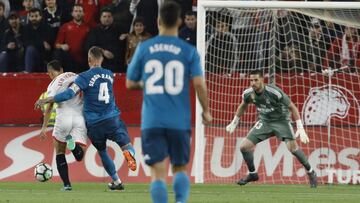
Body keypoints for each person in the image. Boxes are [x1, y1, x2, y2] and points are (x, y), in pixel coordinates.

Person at [126, 1, 212, 203]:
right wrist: (206, 111)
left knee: (157, 172)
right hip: (179, 121)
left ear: (157, 21)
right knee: (180, 167)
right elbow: (199, 84)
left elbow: (130, 83)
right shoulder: (189, 51)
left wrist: (150, 84)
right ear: (180, 22)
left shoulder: (144, 47)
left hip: (152, 120)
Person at [35, 46, 137, 191]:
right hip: (112, 118)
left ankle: (116, 181)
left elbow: (69, 94)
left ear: (89, 60)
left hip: (94, 123)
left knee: (102, 152)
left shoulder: (84, 77)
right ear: (102, 59)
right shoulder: (109, 75)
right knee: (126, 145)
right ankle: (129, 153)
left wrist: (48, 99)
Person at [225, 69, 317, 188]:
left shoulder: (274, 92)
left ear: (262, 80)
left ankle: (311, 172)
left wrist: (300, 128)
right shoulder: (248, 93)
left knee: (293, 149)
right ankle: (253, 174)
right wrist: (234, 122)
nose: (253, 83)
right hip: (265, 122)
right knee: (244, 147)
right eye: (251, 80)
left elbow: (292, 107)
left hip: (281, 121)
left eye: (256, 80)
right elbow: (243, 105)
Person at [35, 60, 87, 191]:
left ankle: (67, 185)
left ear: (51, 72)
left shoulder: (53, 85)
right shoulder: (74, 75)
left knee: (59, 151)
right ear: (62, 69)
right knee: (80, 156)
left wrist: (43, 128)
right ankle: (73, 145)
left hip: (63, 118)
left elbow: (50, 106)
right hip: (79, 117)